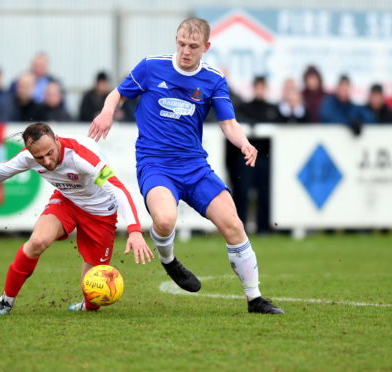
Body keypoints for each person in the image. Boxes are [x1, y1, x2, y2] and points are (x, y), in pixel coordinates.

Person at [88, 17, 284, 314]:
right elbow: (117, 93)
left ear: (206, 46)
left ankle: (255, 298)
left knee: (233, 224)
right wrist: (106, 112)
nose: (185, 51)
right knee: (165, 220)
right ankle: (169, 260)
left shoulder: (213, 79)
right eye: (181, 44)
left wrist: (243, 143)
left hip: (194, 166)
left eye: (193, 46)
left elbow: (228, 123)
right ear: (175, 40)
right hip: (156, 164)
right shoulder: (151, 67)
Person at [0, 122, 153, 315]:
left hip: (100, 212)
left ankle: (87, 305)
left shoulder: (81, 157)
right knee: (37, 241)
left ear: (57, 139)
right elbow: (3, 170)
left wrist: (134, 230)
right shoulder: (28, 157)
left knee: (94, 296)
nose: (47, 161)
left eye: (50, 153)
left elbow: (118, 188)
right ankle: (6, 301)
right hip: (67, 202)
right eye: (39, 158)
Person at [230, 76, 278, 235]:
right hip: (245, 158)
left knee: (264, 193)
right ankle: (240, 227)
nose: (260, 90)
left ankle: (264, 227)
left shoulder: (273, 108)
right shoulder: (245, 107)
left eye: (262, 87)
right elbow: (233, 121)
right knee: (242, 193)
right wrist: (247, 122)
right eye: (257, 87)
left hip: (264, 158)